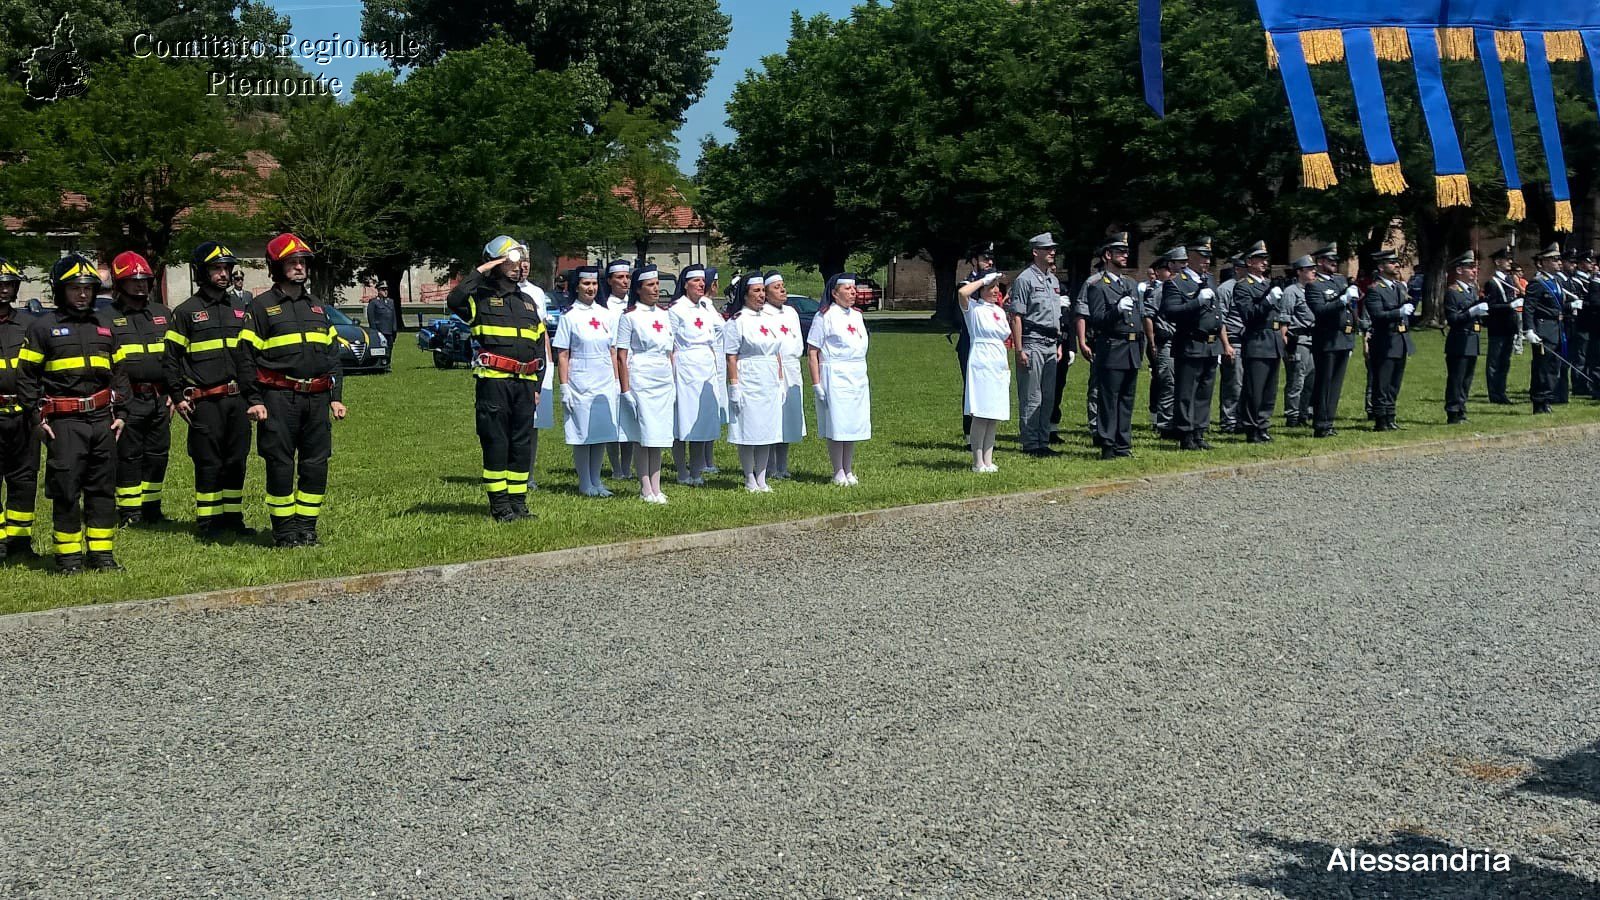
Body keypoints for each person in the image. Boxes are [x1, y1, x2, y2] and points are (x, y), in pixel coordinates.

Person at [233, 234, 348, 548]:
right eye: (291, 262)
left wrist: (336, 398)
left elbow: (333, 356)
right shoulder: (260, 307)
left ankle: (307, 528)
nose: (299, 267)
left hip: (317, 399)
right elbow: (245, 358)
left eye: (302, 262)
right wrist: (254, 399)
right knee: (280, 464)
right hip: (278, 399)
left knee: (315, 464)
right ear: (276, 267)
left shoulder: (317, 308)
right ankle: (284, 532)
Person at [17, 254, 129, 573]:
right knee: (66, 488)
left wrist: (122, 411)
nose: (83, 294)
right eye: (74, 288)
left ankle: (102, 555)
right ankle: (68, 558)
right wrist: (36, 417)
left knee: (103, 488)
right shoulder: (42, 328)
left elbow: (119, 372)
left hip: (101, 419)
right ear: (59, 290)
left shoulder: (105, 327)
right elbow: (27, 377)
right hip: (64, 421)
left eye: (88, 288)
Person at [446, 235, 547, 522]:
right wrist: (481, 270)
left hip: (525, 385)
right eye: (512, 261)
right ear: (497, 263)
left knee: (521, 445)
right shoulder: (479, 299)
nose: (520, 267)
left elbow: (539, 344)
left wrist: (537, 385)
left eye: (521, 260)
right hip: (494, 383)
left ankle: (518, 503)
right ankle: (500, 506)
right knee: (496, 443)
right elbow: (454, 299)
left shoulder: (527, 302)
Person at [165, 240, 254, 538]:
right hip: (204, 401)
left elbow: (250, 355)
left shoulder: (241, 309)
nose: (223, 275)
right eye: (216, 269)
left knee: (236, 461)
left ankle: (233, 518)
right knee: (208, 462)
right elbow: (171, 359)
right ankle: (208, 522)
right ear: (202, 273)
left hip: (237, 399)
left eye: (227, 269)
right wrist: (177, 397)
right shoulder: (185, 312)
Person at [102, 252, 173, 525]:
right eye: (134, 280)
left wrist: (172, 394)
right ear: (120, 284)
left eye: (145, 280)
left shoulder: (163, 314)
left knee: (158, 454)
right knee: (128, 455)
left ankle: (152, 508)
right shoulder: (106, 318)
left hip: (158, 397)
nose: (141, 285)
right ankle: (130, 511)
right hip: (126, 397)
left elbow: (174, 359)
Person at [554, 265, 622, 497]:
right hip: (580, 380)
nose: (590, 288)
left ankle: (597, 480)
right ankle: (584, 482)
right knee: (582, 434)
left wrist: (616, 381)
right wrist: (564, 387)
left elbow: (612, 350)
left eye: (594, 284)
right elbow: (563, 354)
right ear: (577, 286)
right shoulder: (569, 316)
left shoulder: (606, 315)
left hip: (603, 378)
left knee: (600, 432)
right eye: (586, 284)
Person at [614, 264, 674, 503]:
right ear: (638, 289)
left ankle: (657, 486)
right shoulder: (629, 317)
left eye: (657, 284)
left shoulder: (664, 315)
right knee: (644, 434)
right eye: (650, 285)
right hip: (641, 377)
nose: (656, 288)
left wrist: (673, 381)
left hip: (662, 378)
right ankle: (645, 486)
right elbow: (621, 355)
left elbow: (671, 351)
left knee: (658, 435)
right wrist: (626, 389)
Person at [1085, 236, 1146, 459]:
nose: (1125, 255)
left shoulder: (1129, 284)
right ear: (1107, 255)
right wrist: (1117, 310)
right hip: (1112, 347)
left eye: (1125, 251)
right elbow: (1098, 320)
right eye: (1119, 251)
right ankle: (1108, 443)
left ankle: (1123, 442)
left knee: (1127, 399)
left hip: (1131, 347)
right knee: (1109, 399)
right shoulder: (1098, 286)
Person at [724, 273, 785, 493]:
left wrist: (780, 380)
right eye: (756, 291)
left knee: (766, 430)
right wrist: (734, 387)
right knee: (748, 429)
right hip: (748, 376)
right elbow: (731, 356)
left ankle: (762, 476)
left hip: (768, 377)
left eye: (762, 291)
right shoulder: (737, 321)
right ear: (746, 294)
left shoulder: (769, 320)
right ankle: (749, 476)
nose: (761, 295)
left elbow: (777, 352)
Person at [808, 273, 871, 484]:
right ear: (834, 293)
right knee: (837, 423)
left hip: (856, 374)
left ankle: (848, 468)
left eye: (854, 289)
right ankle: (838, 470)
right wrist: (817, 383)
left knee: (851, 424)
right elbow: (813, 351)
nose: (852, 292)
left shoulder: (857, 315)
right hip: (835, 373)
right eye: (847, 289)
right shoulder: (824, 316)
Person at [1163, 245, 1226, 450]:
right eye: (1202, 257)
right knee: (1186, 391)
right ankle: (1185, 433)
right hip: (1190, 342)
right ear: (1189, 258)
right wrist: (1196, 302)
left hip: (1210, 344)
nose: (1206, 261)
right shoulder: (1176, 283)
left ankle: (1199, 431)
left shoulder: (1209, 280)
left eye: (1208, 257)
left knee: (1204, 391)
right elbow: (1170, 312)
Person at [0, 257, 41, 563]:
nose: (3, 290)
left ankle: (20, 542)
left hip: (25, 415)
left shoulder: (29, 325)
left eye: (8, 285)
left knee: (24, 480)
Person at [1008, 233, 1064, 456]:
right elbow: (1017, 317)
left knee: (1048, 395)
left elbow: (1055, 316)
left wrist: (1059, 343)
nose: (1052, 252)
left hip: (1051, 344)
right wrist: (1019, 348)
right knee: (1032, 396)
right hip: (1032, 343)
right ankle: (1031, 443)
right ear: (1035, 252)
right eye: (1047, 248)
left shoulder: (1053, 280)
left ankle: (1043, 439)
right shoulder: (1025, 279)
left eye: (1053, 249)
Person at [668, 264, 723, 485]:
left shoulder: (705, 308)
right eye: (696, 281)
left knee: (703, 422)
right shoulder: (676, 309)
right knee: (683, 420)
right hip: (685, 366)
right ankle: (682, 472)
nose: (701, 284)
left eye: (703, 281)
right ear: (685, 284)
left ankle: (698, 471)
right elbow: (670, 345)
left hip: (706, 366)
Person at [1234, 241, 1287, 444]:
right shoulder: (1243, 287)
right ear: (1249, 262)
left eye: (1265, 259)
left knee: (1269, 390)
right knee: (1254, 389)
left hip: (1273, 341)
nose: (1265, 263)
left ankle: (1263, 424)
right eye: (1260, 259)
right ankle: (1251, 427)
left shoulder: (1267, 284)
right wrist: (1267, 301)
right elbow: (1249, 315)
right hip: (1257, 341)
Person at [1305, 244, 1359, 438]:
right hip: (1327, 340)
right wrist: (1341, 301)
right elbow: (1320, 311)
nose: (1334, 263)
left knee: (1336, 384)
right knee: (1325, 382)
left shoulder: (1340, 281)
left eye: (1335, 261)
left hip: (1343, 338)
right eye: (1330, 260)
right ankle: (1321, 423)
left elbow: (1351, 311)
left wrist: (1355, 327)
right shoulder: (1314, 286)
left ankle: (1330, 420)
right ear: (1320, 262)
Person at [958, 270, 1011, 471]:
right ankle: (977, 460)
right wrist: (982, 280)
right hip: (981, 359)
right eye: (990, 287)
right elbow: (963, 293)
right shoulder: (973, 309)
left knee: (993, 414)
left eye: (997, 286)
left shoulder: (998, 311)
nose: (995, 290)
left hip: (998, 360)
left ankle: (988, 459)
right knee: (981, 413)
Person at [514, 250, 556, 491]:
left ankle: (528, 474)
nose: (524, 266)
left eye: (527, 261)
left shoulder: (536, 293)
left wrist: (547, 363)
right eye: (519, 261)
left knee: (534, 424)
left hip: (537, 362)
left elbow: (542, 332)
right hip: (514, 362)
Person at [1363, 249, 1415, 431]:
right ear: (1381, 267)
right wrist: (1398, 312)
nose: (1396, 265)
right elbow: (1377, 315)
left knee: (1395, 382)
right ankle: (1381, 419)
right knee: (1382, 382)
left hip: (1400, 340)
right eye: (1392, 262)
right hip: (1385, 340)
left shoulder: (1399, 287)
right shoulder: (1375, 289)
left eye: (1396, 262)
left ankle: (1391, 415)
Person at [763, 271, 806, 478]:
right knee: (773, 416)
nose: (782, 290)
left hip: (792, 367)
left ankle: (783, 465)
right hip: (774, 367)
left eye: (783, 285)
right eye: (776, 287)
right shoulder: (762, 313)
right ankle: (769, 465)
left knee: (788, 419)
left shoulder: (791, 312)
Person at [1442, 252, 1488, 424]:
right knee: (1457, 378)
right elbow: (1453, 319)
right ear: (1459, 270)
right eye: (1470, 268)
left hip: (1472, 340)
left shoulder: (1472, 291)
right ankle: (1453, 411)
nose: (1474, 271)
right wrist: (1472, 312)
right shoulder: (1453, 292)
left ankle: (1462, 409)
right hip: (1459, 341)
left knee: (1467, 379)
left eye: (1474, 268)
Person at [955, 244, 995, 441]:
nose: (989, 262)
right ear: (974, 261)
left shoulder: (993, 282)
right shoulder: (967, 282)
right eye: (985, 258)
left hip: (989, 344)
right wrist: (982, 282)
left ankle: (986, 433)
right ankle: (970, 433)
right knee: (971, 386)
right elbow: (963, 299)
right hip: (970, 342)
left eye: (991, 259)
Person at [601, 259, 635, 480]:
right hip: (614, 366)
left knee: (631, 421)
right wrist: (615, 375)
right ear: (610, 281)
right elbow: (611, 344)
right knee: (615, 420)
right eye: (619, 277)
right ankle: (616, 468)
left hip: (634, 365)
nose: (624, 281)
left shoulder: (634, 305)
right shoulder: (606, 307)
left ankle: (627, 465)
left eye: (627, 277)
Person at [1523, 244, 1566, 414]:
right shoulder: (1537, 283)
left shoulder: (1556, 281)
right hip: (1543, 329)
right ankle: (1539, 401)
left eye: (1558, 259)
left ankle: (1547, 398)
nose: (1559, 263)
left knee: (1553, 367)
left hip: (1556, 328)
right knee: (1542, 367)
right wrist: (1529, 330)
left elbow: (1556, 306)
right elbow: (1529, 307)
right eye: (1555, 260)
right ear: (1544, 263)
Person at [1482, 246, 1521, 405]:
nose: (1509, 262)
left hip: (1509, 326)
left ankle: (1501, 391)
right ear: (1498, 262)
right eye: (1507, 259)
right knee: (1494, 361)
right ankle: (1494, 393)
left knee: (1505, 361)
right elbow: (1490, 307)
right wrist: (1509, 306)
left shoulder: (1510, 280)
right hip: (1497, 327)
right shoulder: (1492, 283)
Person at [1144, 260, 1178, 437]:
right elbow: (1148, 316)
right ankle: (1164, 424)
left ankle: (1178, 421)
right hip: (1166, 341)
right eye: (1168, 269)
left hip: (1182, 342)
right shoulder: (1160, 291)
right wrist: (1152, 342)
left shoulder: (1180, 287)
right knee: (1168, 384)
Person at [1282, 258, 1316, 427]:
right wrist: (1286, 344)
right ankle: (1292, 416)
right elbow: (1284, 318)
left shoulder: (1313, 290)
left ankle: (1304, 413)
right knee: (1297, 379)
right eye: (1309, 269)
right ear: (1299, 272)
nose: (1313, 272)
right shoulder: (1291, 291)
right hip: (1298, 339)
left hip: (1312, 339)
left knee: (1310, 379)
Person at [1216, 254, 1246, 433]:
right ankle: (1229, 421)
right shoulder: (1226, 289)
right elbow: (1221, 319)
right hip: (1233, 341)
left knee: (1247, 384)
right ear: (1237, 269)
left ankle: (1242, 419)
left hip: (1250, 342)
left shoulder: (1250, 287)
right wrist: (1226, 344)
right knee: (1233, 384)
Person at [365, 281, 398, 349]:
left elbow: (393, 317)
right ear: (378, 290)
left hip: (390, 333)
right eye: (383, 289)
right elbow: (371, 319)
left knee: (389, 352)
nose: (385, 291)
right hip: (380, 332)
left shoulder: (390, 302)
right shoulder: (374, 302)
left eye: (386, 289)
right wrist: (375, 332)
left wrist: (394, 330)